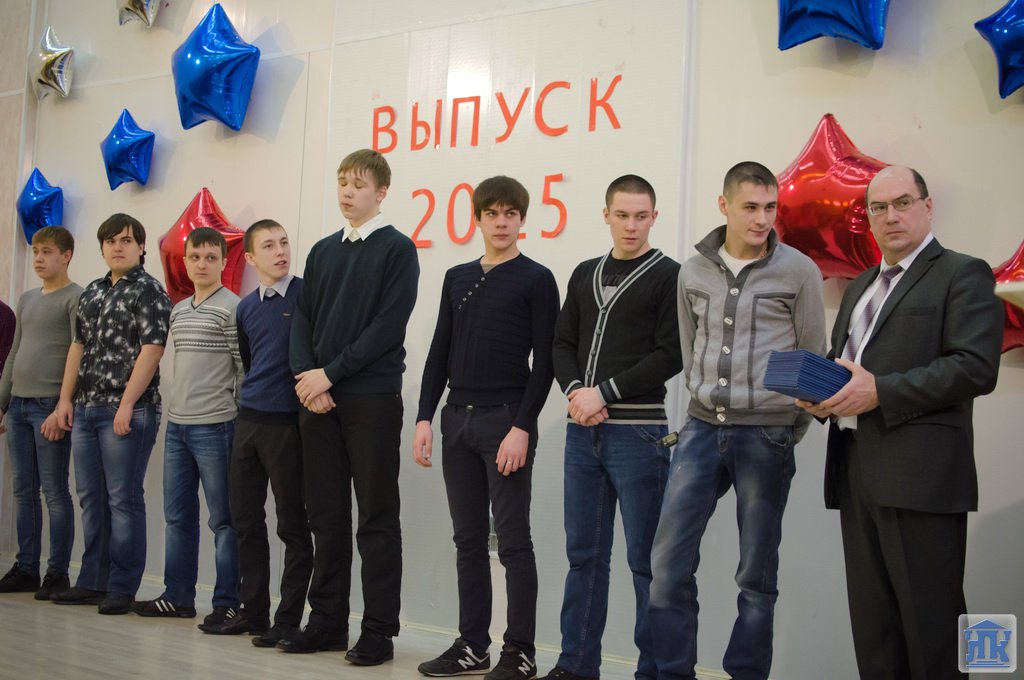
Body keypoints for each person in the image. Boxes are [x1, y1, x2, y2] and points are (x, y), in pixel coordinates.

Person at [797, 166, 1003, 680]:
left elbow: (975, 368)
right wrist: (820, 394)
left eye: (903, 203)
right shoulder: (861, 286)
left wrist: (880, 392)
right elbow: (849, 364)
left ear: (927, 207)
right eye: (879, 207)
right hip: (855, 470)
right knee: (874, 628)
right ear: (868, 218)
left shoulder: (963, 272)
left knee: (932, 629)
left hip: (922, 478)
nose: (891, 216)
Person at [647, 162, 826, 680]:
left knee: (755, 576)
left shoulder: (799, 271)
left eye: (770, 207)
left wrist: (786, 428)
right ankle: (673, 672)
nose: (762, 219)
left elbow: (813, 357)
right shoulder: (692, 271)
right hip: (701, 429)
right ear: (723, 205)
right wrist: (701, 408)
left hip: (767, 434)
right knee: (666, 567)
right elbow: (690, 350)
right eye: (750, 207)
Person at [413, 176, 559, 680]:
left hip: (504, 420)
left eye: (510, 213)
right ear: (477, 218)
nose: (501, 222)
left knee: (513, 540)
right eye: (492, 213)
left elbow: (545, 363)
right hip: (457, 419)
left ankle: (520, 652)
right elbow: (439, 351)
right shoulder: (456, 276)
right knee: (468, 540)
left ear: (522, 219)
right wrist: (424, 416)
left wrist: (522, 426)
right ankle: (473, 645)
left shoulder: (537, 278)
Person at [541, 175, 682, 680]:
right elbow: (561, 343)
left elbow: (671, 354)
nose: (631, 225)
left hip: (639, 435)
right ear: (606, 215)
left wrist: (605, 393)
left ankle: (654, 671)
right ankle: (576, 665)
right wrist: (577, 391)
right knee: (584, 556)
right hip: (582, 433)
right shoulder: (585, 273)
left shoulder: (669, 275)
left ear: (654, 217)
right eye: (622, 215)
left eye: (641, 216)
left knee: (647, 562)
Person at [287, 148, 419, 664]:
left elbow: (387, 326)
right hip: (317, 398)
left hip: (371, 399)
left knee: (376, 516)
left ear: (381, 192)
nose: (347, 191)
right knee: (325, 515)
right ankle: (326, 622)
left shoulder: (397, 249)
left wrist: (330, 373)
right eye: (342, 181)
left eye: (358, 184)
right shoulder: (322, 252)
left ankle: (379, 630)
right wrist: (309, 378)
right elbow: (302, 318)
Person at [199, 219, 313, 648]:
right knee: (246, 521)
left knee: (292, 525)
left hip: (288, 426)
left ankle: (288, 619)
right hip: (248, 422)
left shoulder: (306, 295)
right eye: (268, 245)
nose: (280, 251)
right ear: (249, 257)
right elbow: (250, 361)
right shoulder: (245, 308)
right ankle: (254, 612)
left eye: (284, 242)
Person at [52, 213, 172, 615]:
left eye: (126, 240)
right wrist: (65, 400)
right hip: (85, 407)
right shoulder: (93, 291)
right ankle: (92, 581)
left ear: (141, 247)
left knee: (123, 500)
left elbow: (152, 349)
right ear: (102, 247)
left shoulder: (149, 291)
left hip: (127, 409)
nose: (117, 247)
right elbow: (78, 346)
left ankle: (121, 587)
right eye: (110, 241)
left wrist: (126, 404)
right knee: (91, 498)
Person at [134, 227, 242, 626]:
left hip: (216, 426)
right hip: (177, 427)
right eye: (195, 257)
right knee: (177, 517)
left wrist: (238, 416)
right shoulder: (178, 311)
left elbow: (242, 370)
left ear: (223, 262)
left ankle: (227, 601)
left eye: (211, 258)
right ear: (185, 261)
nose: (202, 264)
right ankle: (177, 596)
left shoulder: (233, 308)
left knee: (223, 520)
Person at [0, 227, 82, 599]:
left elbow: (79, 353)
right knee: (23, 490)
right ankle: (26, 567)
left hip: (49, 405)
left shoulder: (75, 297)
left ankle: (57, 572)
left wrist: (64, 403)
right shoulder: (27, 299)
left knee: (54, 491)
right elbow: (14, 353)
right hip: (19, 404)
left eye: (46, 251)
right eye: (35, 251)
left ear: (66, 256)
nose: (38, 258)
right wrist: (2, 403)